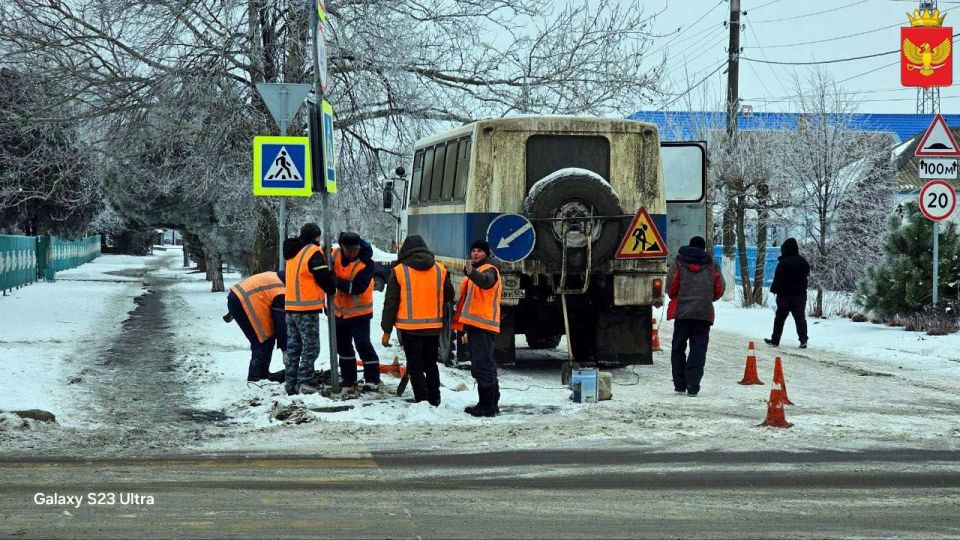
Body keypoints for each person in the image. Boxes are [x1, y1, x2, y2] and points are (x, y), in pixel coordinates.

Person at [381, 235, 454, 406]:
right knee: (431, 364)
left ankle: (422, 399)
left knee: (415, 365)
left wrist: (386, 330)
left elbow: (391, 303)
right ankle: (435, 398)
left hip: (410, 328)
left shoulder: (399, 271)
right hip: (433, 327)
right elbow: (449, 295)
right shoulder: (439, 269)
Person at [666, 235, 725, 397]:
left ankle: (679, 384)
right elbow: (719, 288)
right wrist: (707, 298)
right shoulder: (712, 265)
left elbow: (671, 285)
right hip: (703, 313)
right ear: (704, 248)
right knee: (698, 349)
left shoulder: (678, 262)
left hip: (682, 313)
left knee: (678, 347)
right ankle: (693, 384)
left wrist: (677, 296)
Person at [283, 222, 336, 395]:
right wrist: (331, 288)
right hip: (306, 309)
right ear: (316, 236)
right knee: (311, 347)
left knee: (294, 348)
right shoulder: (312, 252)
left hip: (290, 308)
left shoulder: (293, 253)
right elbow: (322, 276)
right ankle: (304, 382)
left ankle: (290, 384)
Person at [452, 240, 503, 417]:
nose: (475, 254)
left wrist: (471, 272)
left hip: (483, 325)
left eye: (479, 251)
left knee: (483, 366)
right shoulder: (478, 271)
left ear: (486, 254)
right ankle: (492, 402)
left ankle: (486, 405)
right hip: (476, 325)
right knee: (484, 363)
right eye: (473, 250)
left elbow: (485, 282)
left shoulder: (489, 270)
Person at [331, 232, 381, 391]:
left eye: (355, 250)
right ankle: (348, 377)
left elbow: (358, 288)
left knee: (362, 343)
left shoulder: (366, 263)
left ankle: (372, 378)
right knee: (342, 346)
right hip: (341, 312)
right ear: (342, 247)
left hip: (360, 313)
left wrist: (337, 282)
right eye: (349, 250)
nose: (353, 253)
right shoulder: (335, 254)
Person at [225, 271, 288, 383]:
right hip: (243, 301)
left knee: (265, 336)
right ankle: (256, 376)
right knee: (263, 337)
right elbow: (281, 322)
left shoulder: (276, 278)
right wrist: (285, 350)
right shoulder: (280, 291)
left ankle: (262, 373)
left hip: (237, 297)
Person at [765, 237, 810, 349]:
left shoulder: (783, 263)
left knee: (779, 319)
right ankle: (803, 340)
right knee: (800, 319)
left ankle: (775, 340)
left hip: (785, 296)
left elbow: (778, 279)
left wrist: (773, 291)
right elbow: (806, 275)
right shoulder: (803, 262)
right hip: (800, 296)